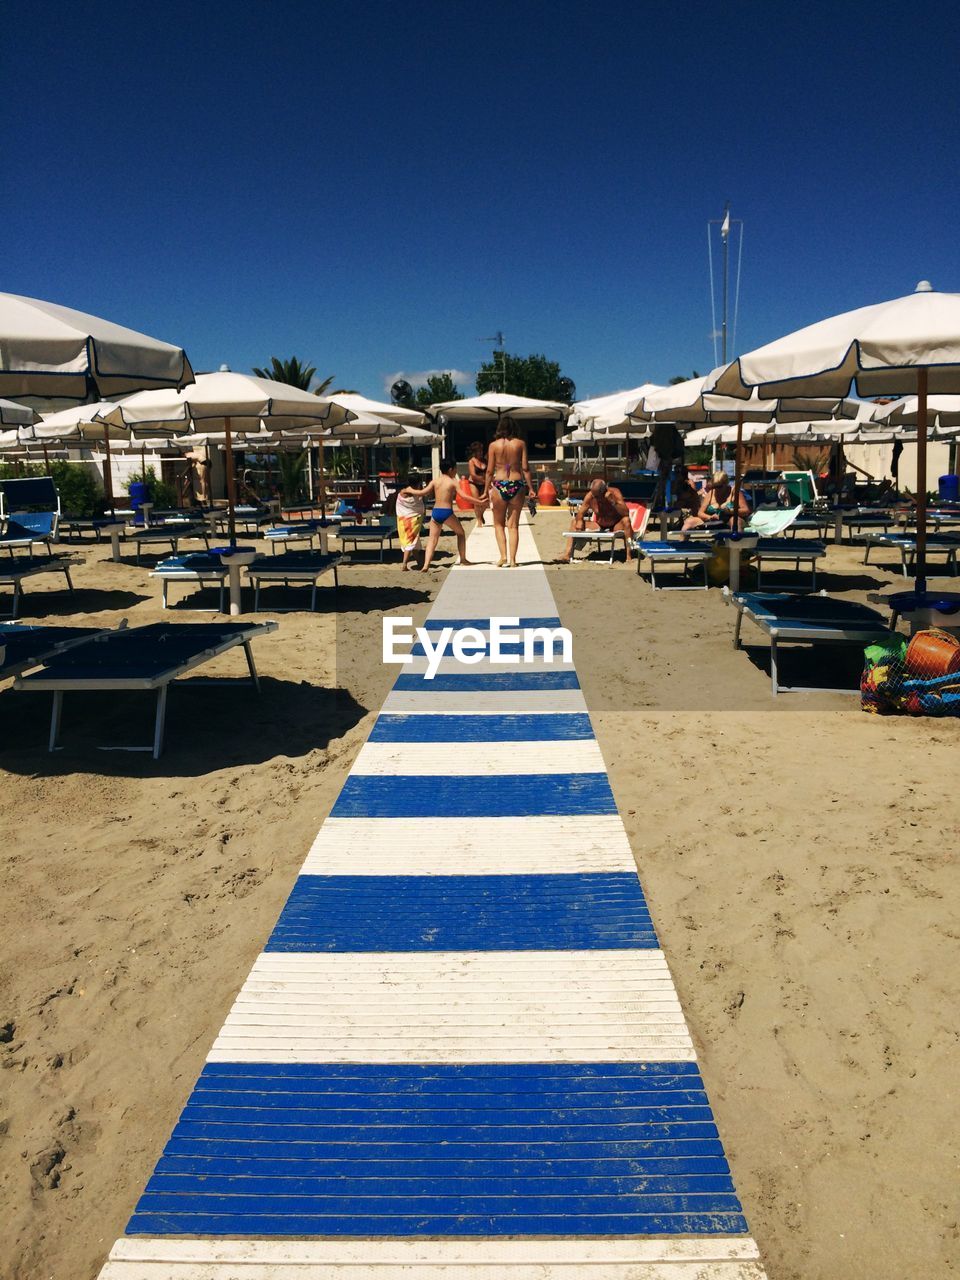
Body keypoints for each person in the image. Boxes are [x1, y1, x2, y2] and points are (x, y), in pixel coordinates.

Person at [401, 457, 482, 571]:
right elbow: (464, 496)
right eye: (455, 469)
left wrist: (409, 490)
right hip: (447, 512)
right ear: (450, 469)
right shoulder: (452, 482)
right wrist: (479, 501)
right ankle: (463, 559)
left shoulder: (435, 481)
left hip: (436, 512)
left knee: (432, 540)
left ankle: (426, 565)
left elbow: (422, 492)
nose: (456, 471)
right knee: (461, 533)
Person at [484, 418, 534, 567]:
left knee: (499, 524)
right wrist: (531, 488)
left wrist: (485, 489)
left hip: (499, 484)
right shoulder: (520, 444)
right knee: (513, 526)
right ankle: (513, 560)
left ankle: (503, 556)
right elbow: (525, 468)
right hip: (517, 484)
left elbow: (489, 470)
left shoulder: (493, 445)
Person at [560, 477, 634, 563]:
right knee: (574, 522)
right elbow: (580, 513)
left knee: (626, 520)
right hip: (599, 524)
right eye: (595, 496)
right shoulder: (590, 496)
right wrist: (579, 520)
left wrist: (613, 502)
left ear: (605, 492)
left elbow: (626, 513)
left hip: (615, 525)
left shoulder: (615, 493)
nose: (597, 499)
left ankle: (628, 556)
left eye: (598, 496)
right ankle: (567, 554)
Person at [682, 470, 750, 533]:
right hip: (712, 521)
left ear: (725, 483)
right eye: (714, 486)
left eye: (719, 486)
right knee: (689, 521)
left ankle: (736, 543)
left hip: (729, 520)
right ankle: (682, 543)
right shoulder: (711, 493)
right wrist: (709, 517)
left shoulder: (734, 492)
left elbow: (746, 510)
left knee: (735, 520)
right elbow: (700, 513)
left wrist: (730, 511)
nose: (717, 489)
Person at [467, 441, 489, 526]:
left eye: (481, 451)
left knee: (486, 501)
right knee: (476, 502)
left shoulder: (485, 461)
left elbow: (488, 473)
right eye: (478, 451)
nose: (480, 452)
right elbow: (473, 475)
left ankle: (481, 514)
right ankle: (479, 520)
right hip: (474, 482)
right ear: (474, 452)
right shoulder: (471, 461)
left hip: (484, 482)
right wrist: (485, 481)